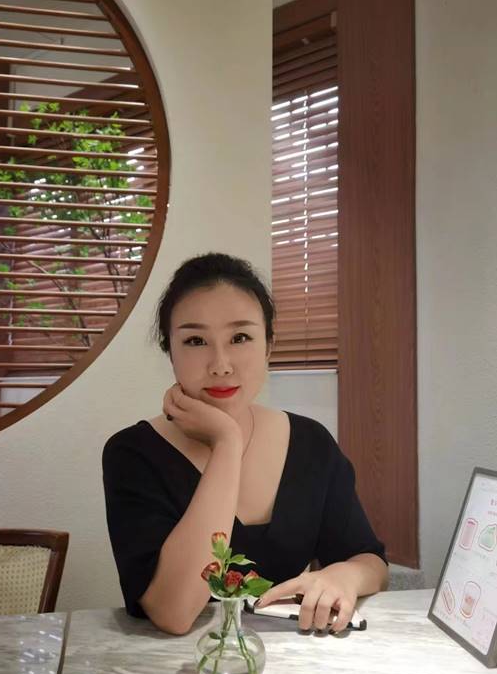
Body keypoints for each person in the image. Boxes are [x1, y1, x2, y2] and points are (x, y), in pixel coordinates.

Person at [103, 252, 388, 635]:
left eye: (240, 338)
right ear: (170, 351)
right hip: (182, 665)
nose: (221, 364)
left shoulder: (311, 442)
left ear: (268, 345)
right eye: (195, 340)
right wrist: (226, 442)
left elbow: (370, 560)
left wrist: (343, 577)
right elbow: (173, 612)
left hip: (292, 660)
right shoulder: (132, 454)